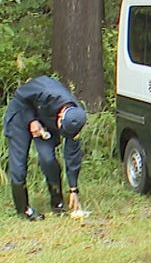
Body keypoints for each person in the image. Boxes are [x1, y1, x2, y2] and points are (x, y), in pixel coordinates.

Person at [4, 76, 88, 220]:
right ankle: (24, 210)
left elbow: (72, 154)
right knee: (19, 165)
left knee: (48, 159)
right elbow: (21, 95)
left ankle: (57, 203)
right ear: (61, 114)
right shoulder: (46, 91)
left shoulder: (76, 118)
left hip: (45, 121)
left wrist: (74, 189)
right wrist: (32, 120)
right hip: (21, 112)